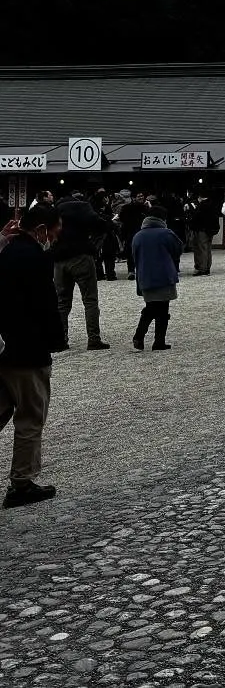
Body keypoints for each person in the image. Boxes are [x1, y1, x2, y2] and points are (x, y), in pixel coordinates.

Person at [0, 204, 66, 509]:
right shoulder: (36, 259)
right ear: (41, 230)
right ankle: (22, 483)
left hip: (2, 347)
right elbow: (45, 306)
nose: (54, 237)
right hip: (27, 351)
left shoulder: (4, 252)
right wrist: (55, 341)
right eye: (53, 231)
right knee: (29, 417)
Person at [54, 191, 109, 350]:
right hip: (81, 255)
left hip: (59, 259)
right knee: (90, 299)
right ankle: (93, 339)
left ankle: (61, 339)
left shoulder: (56, 210)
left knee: (62, 302)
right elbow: (101, 225)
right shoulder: (84, 207)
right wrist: (93, 244)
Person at [131, 207, 183, 351]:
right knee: (163, 309)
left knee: (151, 306)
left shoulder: (138, 236)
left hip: (145, 276)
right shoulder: (166, 233)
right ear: (162, 219)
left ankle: (140, 336)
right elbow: (178, 249)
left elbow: (134, 256)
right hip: (164, 275)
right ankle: (157, 340)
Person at [117, 191, 148, 279]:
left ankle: (138, 270)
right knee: (131, 252)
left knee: (141, 252)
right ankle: (131, 270)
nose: (141, 198)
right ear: (134, 198)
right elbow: (123, 220)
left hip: (141, 232)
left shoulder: (145, 207)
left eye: (142, 195)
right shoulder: (127, 208)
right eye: (139, 196)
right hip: (131, 232)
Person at [190, 188, 221, 276]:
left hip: (201, 229)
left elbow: (197, 216)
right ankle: (207, 267)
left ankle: (202, 268)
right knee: (207, 249)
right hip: (210, 229)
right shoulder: (212, 204)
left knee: (201, 249)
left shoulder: (202, 205)